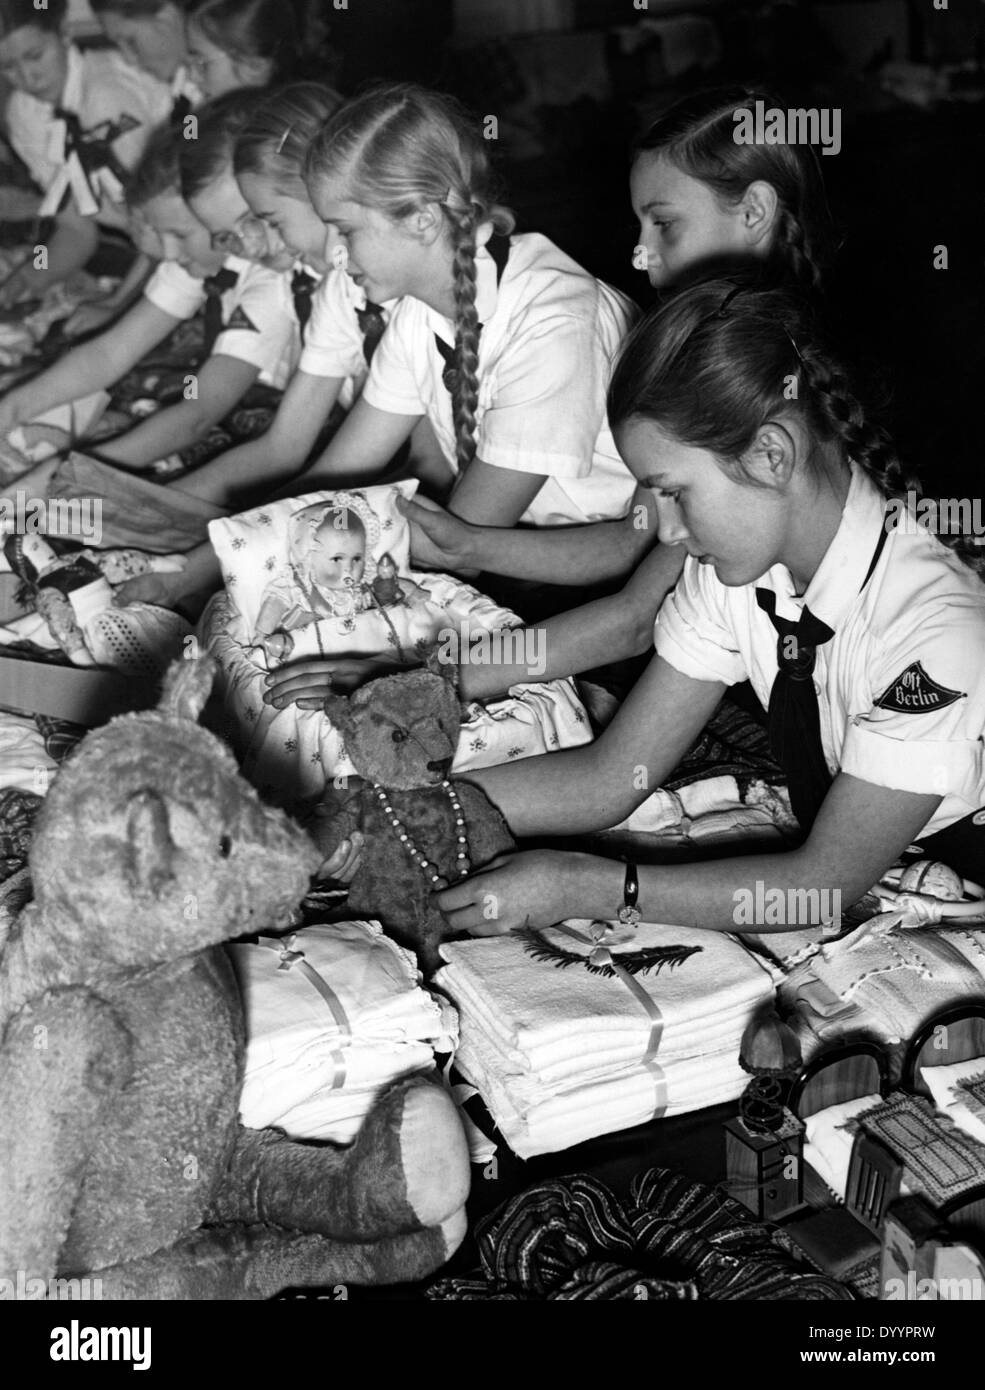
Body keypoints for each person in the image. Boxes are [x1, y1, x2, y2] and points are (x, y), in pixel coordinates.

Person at [429, 273, 985, 940]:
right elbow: (613, 774)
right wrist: (436, 812)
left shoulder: (939, 627)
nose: (662, 532)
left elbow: (816, 890)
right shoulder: (732, 569)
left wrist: (590, 886)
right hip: (858, 855)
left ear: (770, 455)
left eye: (673, 492)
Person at [265, 84, 837, 710]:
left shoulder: (772, 378)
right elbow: (628, 541)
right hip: (644, 624)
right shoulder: (691, 350)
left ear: (754, 211)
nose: (640, 253)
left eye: (664, 223)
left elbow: (631, 611)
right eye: (640, 224)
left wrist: (424, 671)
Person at [0, 98, 299, 472]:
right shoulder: (198, 256)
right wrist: (10, 408)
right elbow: (110, 353)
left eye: (178, 234)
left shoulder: (270, 280)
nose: (168, 251)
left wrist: (74, 473)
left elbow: (198, 416)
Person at [0, 0, 173, 306]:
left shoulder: (108, 97)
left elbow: (168, 226)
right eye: (8, 68)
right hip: (144, 249)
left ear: (65, 33)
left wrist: (117, 304)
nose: (29, 78)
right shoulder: (24, 113)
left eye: (35, 56)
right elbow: (76, 227)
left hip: (180, 242)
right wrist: (27, 278)